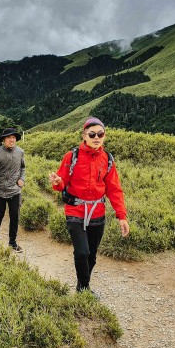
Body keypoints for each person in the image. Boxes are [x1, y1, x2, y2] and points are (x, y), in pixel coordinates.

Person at [49, 116, 130, 295]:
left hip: (97, 212)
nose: (96, 137)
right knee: (82, 252)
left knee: (92, 255)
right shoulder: (72, 156)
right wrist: (57, 182)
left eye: (100, 134)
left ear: (104, 136)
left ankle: (81, 284)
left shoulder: (107, 159)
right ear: (84, 135)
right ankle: (85, 289)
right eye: (92, 134)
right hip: (75, 210)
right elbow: (62, 182)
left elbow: (114, 190)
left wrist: (122, 216)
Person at [0, 128, 26, 253]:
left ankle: (12, 242)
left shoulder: (20, 152)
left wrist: (22, 179)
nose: (11, 140)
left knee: (15, 217)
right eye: (9, 137)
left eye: (13, 137)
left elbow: (23, 168)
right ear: (3, 139)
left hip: (14, 191)